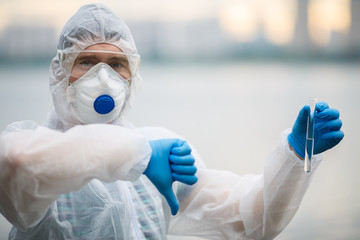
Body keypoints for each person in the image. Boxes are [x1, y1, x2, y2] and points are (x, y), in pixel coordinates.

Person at [0, 3, 344, 240]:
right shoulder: (31, 149)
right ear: (59, 72)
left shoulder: (161, 154)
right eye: (87, 61)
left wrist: (295, 156)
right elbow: (14, 167)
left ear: (132, 75)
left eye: (116, 64)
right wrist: (140, 155)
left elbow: (250, 219)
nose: (103, 77)